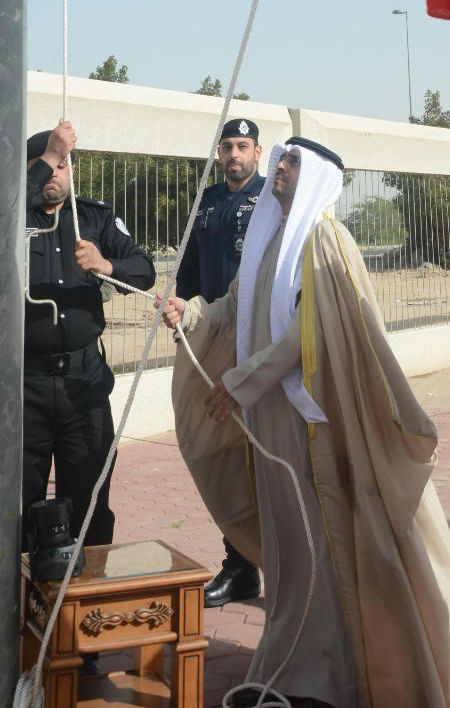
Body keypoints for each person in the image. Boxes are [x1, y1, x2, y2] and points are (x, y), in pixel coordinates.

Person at [163, 135, 450, 708]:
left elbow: (309, 331)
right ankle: (292, 669)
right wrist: (189, 314)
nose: (279, 168)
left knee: (324, 545)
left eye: (291, 162)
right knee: (290, 551)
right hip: (268, 423)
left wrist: (245, 381)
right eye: (280, 159)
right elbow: (234, 308)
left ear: (313, 177)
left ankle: (336, 675)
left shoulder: (326, 241)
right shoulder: (266, 241)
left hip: (313, 425)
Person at [23, 119, 156, 546]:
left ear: (73, 171)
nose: (54, 175)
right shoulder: (14, 218)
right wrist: (48, 155)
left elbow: (146, 270)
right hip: (26, 386)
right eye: (45, 166)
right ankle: (23, 603)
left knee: (89, 501)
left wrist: (106, 265)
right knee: (20, 506)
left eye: (63, 165)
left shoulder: (95, 217)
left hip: (84, 384)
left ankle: (85, 603)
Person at [175, 116, 264, 605]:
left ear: (257, 151)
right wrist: (183, 320)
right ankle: (240, 564)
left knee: (265, 452)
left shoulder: (273, 199)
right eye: (227, 146)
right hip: (213, 337)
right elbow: (188, 272)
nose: (234, 155)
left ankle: (283, 560)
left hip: (260, 340)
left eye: (243, 146)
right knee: (226, 455)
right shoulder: (206, 202)